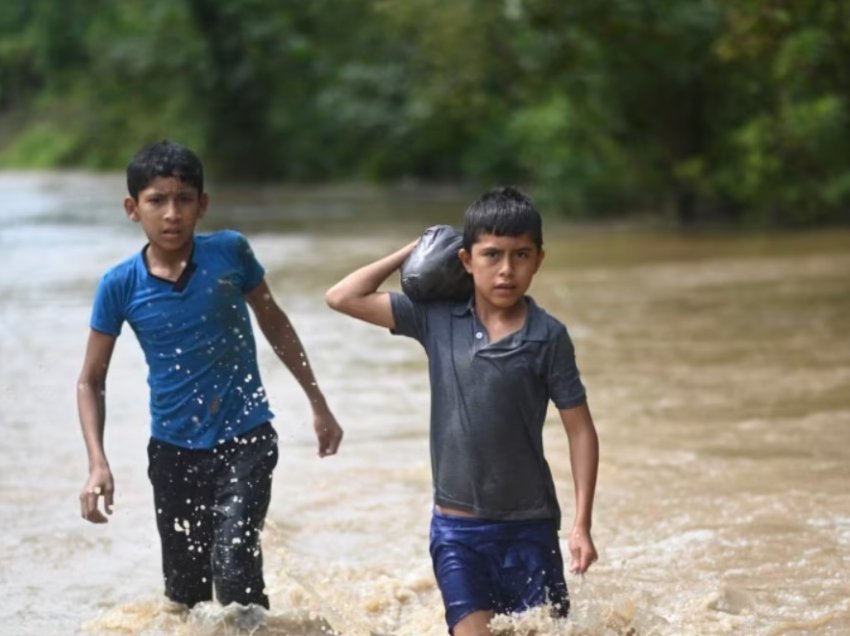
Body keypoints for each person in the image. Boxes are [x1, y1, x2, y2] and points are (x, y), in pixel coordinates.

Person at [76, 140, 343, 612]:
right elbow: (90, 380)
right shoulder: (120, 285)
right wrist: (97, 462)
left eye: (183, 199)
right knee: (185, 596)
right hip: (173, 452)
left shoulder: (230, 254)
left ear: (203, 205)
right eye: (157, 200)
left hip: (246, 439)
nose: (171, 214)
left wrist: (318, 404)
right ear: (132, 208)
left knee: (236, 572)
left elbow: (275, 323)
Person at [325, 186, 599, 635]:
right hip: (458, 532)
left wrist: (582, 525)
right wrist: (419, 247)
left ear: (539, 260)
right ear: (466, 260)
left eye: (521, 255)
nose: (506, 270)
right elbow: (342, 296)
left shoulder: (548, 337)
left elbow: (581, 431)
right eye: (491, 255)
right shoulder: (434, 318)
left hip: (530, 526)